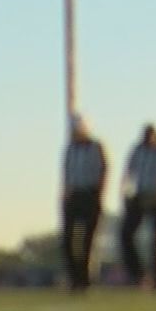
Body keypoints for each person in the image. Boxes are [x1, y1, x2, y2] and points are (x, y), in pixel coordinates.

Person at [119, 123, 156, 286]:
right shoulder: (137, 150)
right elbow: (128, 172)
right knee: (126, 234)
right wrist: (125, 192)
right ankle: (137, 273)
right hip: (140, 195)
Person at [58, 115, 107, 291]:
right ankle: (73, 277)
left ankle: (84, 279)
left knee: (87, 240)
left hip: (90, 195)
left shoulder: (96, 147)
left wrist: (98, 194)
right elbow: (66, 173)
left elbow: (103, 170)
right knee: (68, 240)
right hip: (73, 195)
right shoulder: (69, 149)